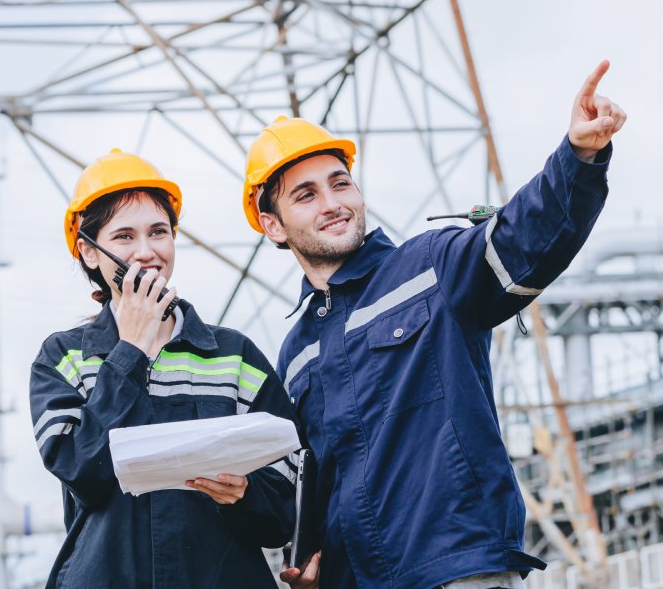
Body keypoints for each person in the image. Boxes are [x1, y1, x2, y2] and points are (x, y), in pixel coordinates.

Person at [241, 61, 626, 588]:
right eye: (306, 195)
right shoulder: (297, 352)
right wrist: (311, 563)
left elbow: (524, 239)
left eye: (340, 183)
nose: (333, 204)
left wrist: (578, 157)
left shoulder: (431, 269)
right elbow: (316, 480)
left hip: (457, 570)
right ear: (272, 224)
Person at [29, 149, 298, 587]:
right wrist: (129, 350)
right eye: (123, 237)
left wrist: (246, 493)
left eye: (159, 232)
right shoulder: (62, 358)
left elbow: (285, 512)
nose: (146, 251)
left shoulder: (235, 356)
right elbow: (81, 471)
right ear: (89, 252)